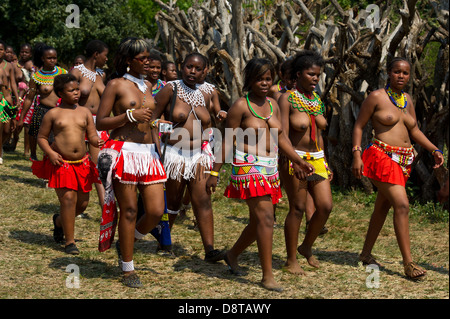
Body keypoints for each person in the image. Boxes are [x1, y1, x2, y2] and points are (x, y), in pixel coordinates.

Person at [206, 58, 314, 292]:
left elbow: (281, 138)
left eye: (268, 78)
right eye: (259, 79)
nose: (264, 83)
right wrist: (215, 170)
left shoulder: (273, 105)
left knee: (258, 221)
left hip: (270, 168)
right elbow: (227, 140)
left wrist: (298, 160)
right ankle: (267, 276)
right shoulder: (240, 106)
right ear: (249, 81)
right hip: (248, 167)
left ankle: (233, 254)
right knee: (266, 219)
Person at [352, 57, 444, 280]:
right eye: (396, 72)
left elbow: (415, 131)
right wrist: (356, 154)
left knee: (383, 206)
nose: (401, 76)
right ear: (388, 73)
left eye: (405, 73)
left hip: (402, 161)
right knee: (402, 204)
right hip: (380, 156)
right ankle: (409, 264)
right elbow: (359, 125)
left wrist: (434, 150)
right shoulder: (376, 97)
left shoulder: (407, 100)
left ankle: (365, 254)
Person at [96, 37, 168, 288]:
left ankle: (128, 241)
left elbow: (149, 119)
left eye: (149, 58)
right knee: (128, 211)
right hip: (124, 152)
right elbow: (100, 122)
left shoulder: (148, 85)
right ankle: (128, 268)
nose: (148, 62)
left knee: (156, 211)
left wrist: (159, 129)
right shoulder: (116, 84)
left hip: (148, 154)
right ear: (129, 61)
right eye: (143, 59)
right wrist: (128, 115)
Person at [154, 52, 225, 263]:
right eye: (188, 67)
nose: (192, 72)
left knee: (202, 200)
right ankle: (164, 242)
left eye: (197, 68)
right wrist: (158, 137)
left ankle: (210, 250)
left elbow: (211, 120)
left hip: (199, 155)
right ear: (181, 66)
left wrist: (219, 119)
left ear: (205, 71)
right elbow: (153, 115)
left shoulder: (208, 93)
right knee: (173, 202)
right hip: (174, 154)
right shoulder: (171, 89)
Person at [31, 74, 103, 254]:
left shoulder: (84, 112)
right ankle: (69, 242)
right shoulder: (53, 114)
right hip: (61, 163)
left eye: (77, 89)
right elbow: (41, 137)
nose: (77, 93)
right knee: (68, 200)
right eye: (72, 90)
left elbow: (91, 134)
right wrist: (50, 153)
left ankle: (58, 221)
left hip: (82, 163)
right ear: (60, 92)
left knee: (82, 204)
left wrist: (95, 141)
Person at [278, 50, 333, 275]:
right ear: (299, 74)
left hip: (317, 159)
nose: (315, 79)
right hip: (294, 159)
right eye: (311, 74)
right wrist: (296, 160)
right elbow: (280, 134)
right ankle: (291, 259)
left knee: (325, 206)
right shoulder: (286, 98)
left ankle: (306, 246)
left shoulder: (316, 100)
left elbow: (319, 135)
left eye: (318, 75)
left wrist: (325, 162)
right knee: (298, 208)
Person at [70, 40, 109, 208]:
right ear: (96, 55)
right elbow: (68, 97)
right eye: (105, 55)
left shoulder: (102, 75)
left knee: (99, 166)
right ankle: (75, 203)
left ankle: (105, 209)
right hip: (79, 121)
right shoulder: (77, 72)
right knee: (78, 165)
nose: (106, 59)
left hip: (97, 124)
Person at [17, 43, 67, 160]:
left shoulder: (63, 73)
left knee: (54, 139)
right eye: (49, 58)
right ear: (42, 59)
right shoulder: (37, 77)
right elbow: (29, 98)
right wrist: (21, 118)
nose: (52, 60)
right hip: (41, 110)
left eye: (54, 58)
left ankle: (50, 162)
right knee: (34, 133)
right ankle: (34, 156)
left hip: (59, 111)